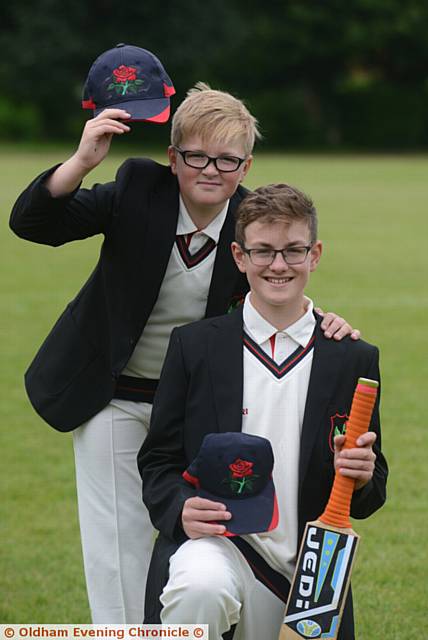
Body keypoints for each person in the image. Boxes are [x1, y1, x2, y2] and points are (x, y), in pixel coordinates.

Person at [10, 79, 359, 624]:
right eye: (196, 156)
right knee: (120, 541)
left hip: (198, 408)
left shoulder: (249, 221)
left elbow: (280, 279)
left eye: (227, 160)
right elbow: (34, 223)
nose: (211, 170)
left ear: (246, 167)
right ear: (173, 158)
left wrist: (323, 321)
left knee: (202, 534)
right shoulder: (136, 190)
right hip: (112, 394)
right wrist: (81, 161)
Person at [138, 183, 388, 640]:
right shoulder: (195, 346)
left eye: (294, 251)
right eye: (263, 251)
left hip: (310, 567)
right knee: (200, 588)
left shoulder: (352, 357)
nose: (278, 265)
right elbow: (157, 461)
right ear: (239, 255)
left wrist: (364, 473)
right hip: (218, 545)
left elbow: (370, 495)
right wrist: (180, 509)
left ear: (315, 254)